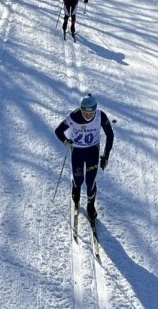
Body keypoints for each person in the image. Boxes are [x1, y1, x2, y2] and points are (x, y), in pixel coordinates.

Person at [54, 94, 114, 225]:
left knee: (90, 181)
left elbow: (110, 135)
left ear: (95, 109)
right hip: (78, 151)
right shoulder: (74, 116)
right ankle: (75, 188)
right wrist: (66, 141)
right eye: (85, 113)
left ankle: (90, 206)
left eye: (90, 113)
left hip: (93, 151)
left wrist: (105, 156)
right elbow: (58, 130)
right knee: (79, 179)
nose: (87, 116)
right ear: (81, 109)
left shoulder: (100, 116)